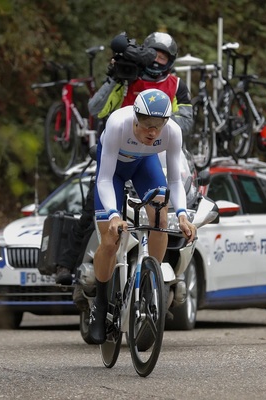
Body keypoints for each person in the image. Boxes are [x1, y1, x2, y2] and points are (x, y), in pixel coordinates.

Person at [55, 33, 192, 291]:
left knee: (162, 214)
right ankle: (74, 269)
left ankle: (153, 282)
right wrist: (114, 79)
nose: (155, 61)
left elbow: (185, 120)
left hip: (152, 155)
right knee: (102, 221)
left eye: (163, 57)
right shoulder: (129, 78)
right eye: (152, 54)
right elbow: (95, 109)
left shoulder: (176, 86)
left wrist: (158, 127)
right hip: (116, 149)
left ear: (171, 61)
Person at [88, 88, 196, 344]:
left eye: (158, 126)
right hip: (112, 173)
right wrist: (114, 215)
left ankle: (150, 283)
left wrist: (181, 214)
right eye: (147, 125)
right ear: (136, 117)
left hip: (143, 165)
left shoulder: (172, 132)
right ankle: (100, 304)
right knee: (109, 238)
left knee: (160, 212)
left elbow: (174, 181)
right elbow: (103, 177)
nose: (153, 132)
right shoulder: (118, 124)